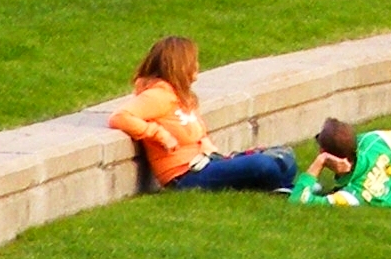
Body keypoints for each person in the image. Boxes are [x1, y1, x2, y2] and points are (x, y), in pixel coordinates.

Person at [111, 35, 297, 194]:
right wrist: (158, 134)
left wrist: (206, 143)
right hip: (185, 175)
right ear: (180, 66)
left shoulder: (182, 96)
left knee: (286, 156)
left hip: (208, 161)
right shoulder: (157, 96)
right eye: (193, 62)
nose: (197, 66)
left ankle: (279, 186)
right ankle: (282, 187)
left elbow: (197, 133)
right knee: (263, 165)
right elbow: (120, 117)